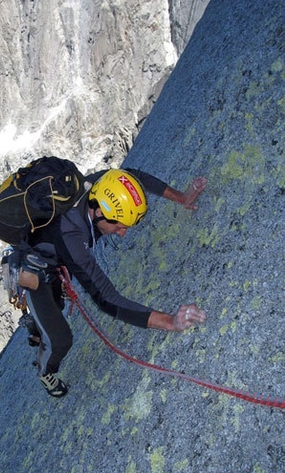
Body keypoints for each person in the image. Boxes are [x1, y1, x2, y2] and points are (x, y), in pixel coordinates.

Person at [20, 167, 208, 397]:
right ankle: (44, 370)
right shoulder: (69, 237)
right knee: (60, 339)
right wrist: (171, 322)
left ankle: (38, 325)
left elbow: (133, 177)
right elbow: (107, 299)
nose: (122, 233)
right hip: (35, 268)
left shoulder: (101, 186)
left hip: (57, 253)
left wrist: (182, 197)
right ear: (98, 211)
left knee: (54, 306)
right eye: (118, 225)